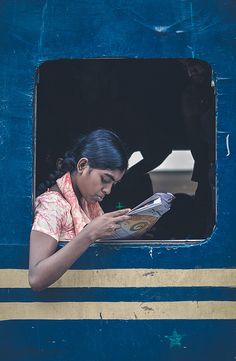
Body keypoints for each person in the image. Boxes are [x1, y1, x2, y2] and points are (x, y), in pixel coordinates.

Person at [29, 129, 131, 291]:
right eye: (105, 179)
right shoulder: (53, 204)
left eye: (114, 184)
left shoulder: (85, 202)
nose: (108, 190)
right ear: (82, 165)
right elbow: (36, 278)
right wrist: (89, 234)